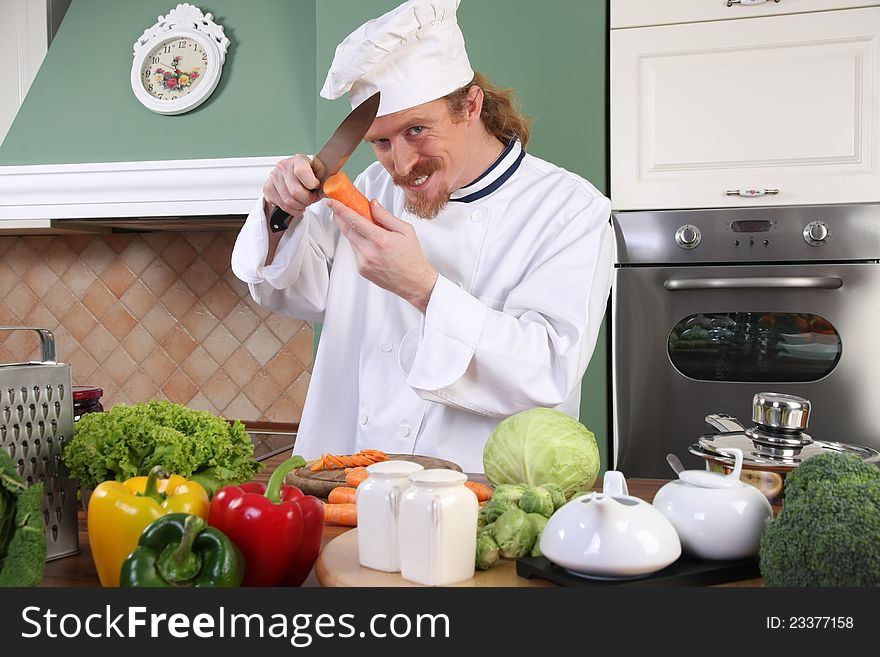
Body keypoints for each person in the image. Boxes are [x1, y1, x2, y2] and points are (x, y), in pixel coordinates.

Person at [231, 0, 614, 474]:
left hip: (470, 492)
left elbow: (548, 369)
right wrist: (280, 209)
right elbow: (288, 290)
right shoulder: (369, 186)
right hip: (343, 476)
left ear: (470, 105)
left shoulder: (569, 209)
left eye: (417, 130)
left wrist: (422, 287)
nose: (402, 164)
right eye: (381, 141)